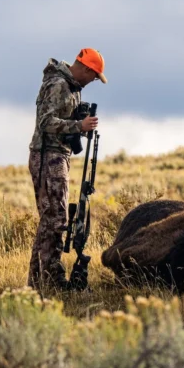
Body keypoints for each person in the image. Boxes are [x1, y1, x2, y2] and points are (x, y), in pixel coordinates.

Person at [27, 48, 107, 294]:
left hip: (57, 155)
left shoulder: (72, 87)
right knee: (56, 219)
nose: (92, 81)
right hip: (49, 156)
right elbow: (45, 121)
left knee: (51, 218)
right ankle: (52, 278)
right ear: (84, 68)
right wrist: (78, 124)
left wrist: (78, 127)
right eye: (93, 76)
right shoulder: (59, 84)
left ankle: (39, 280)